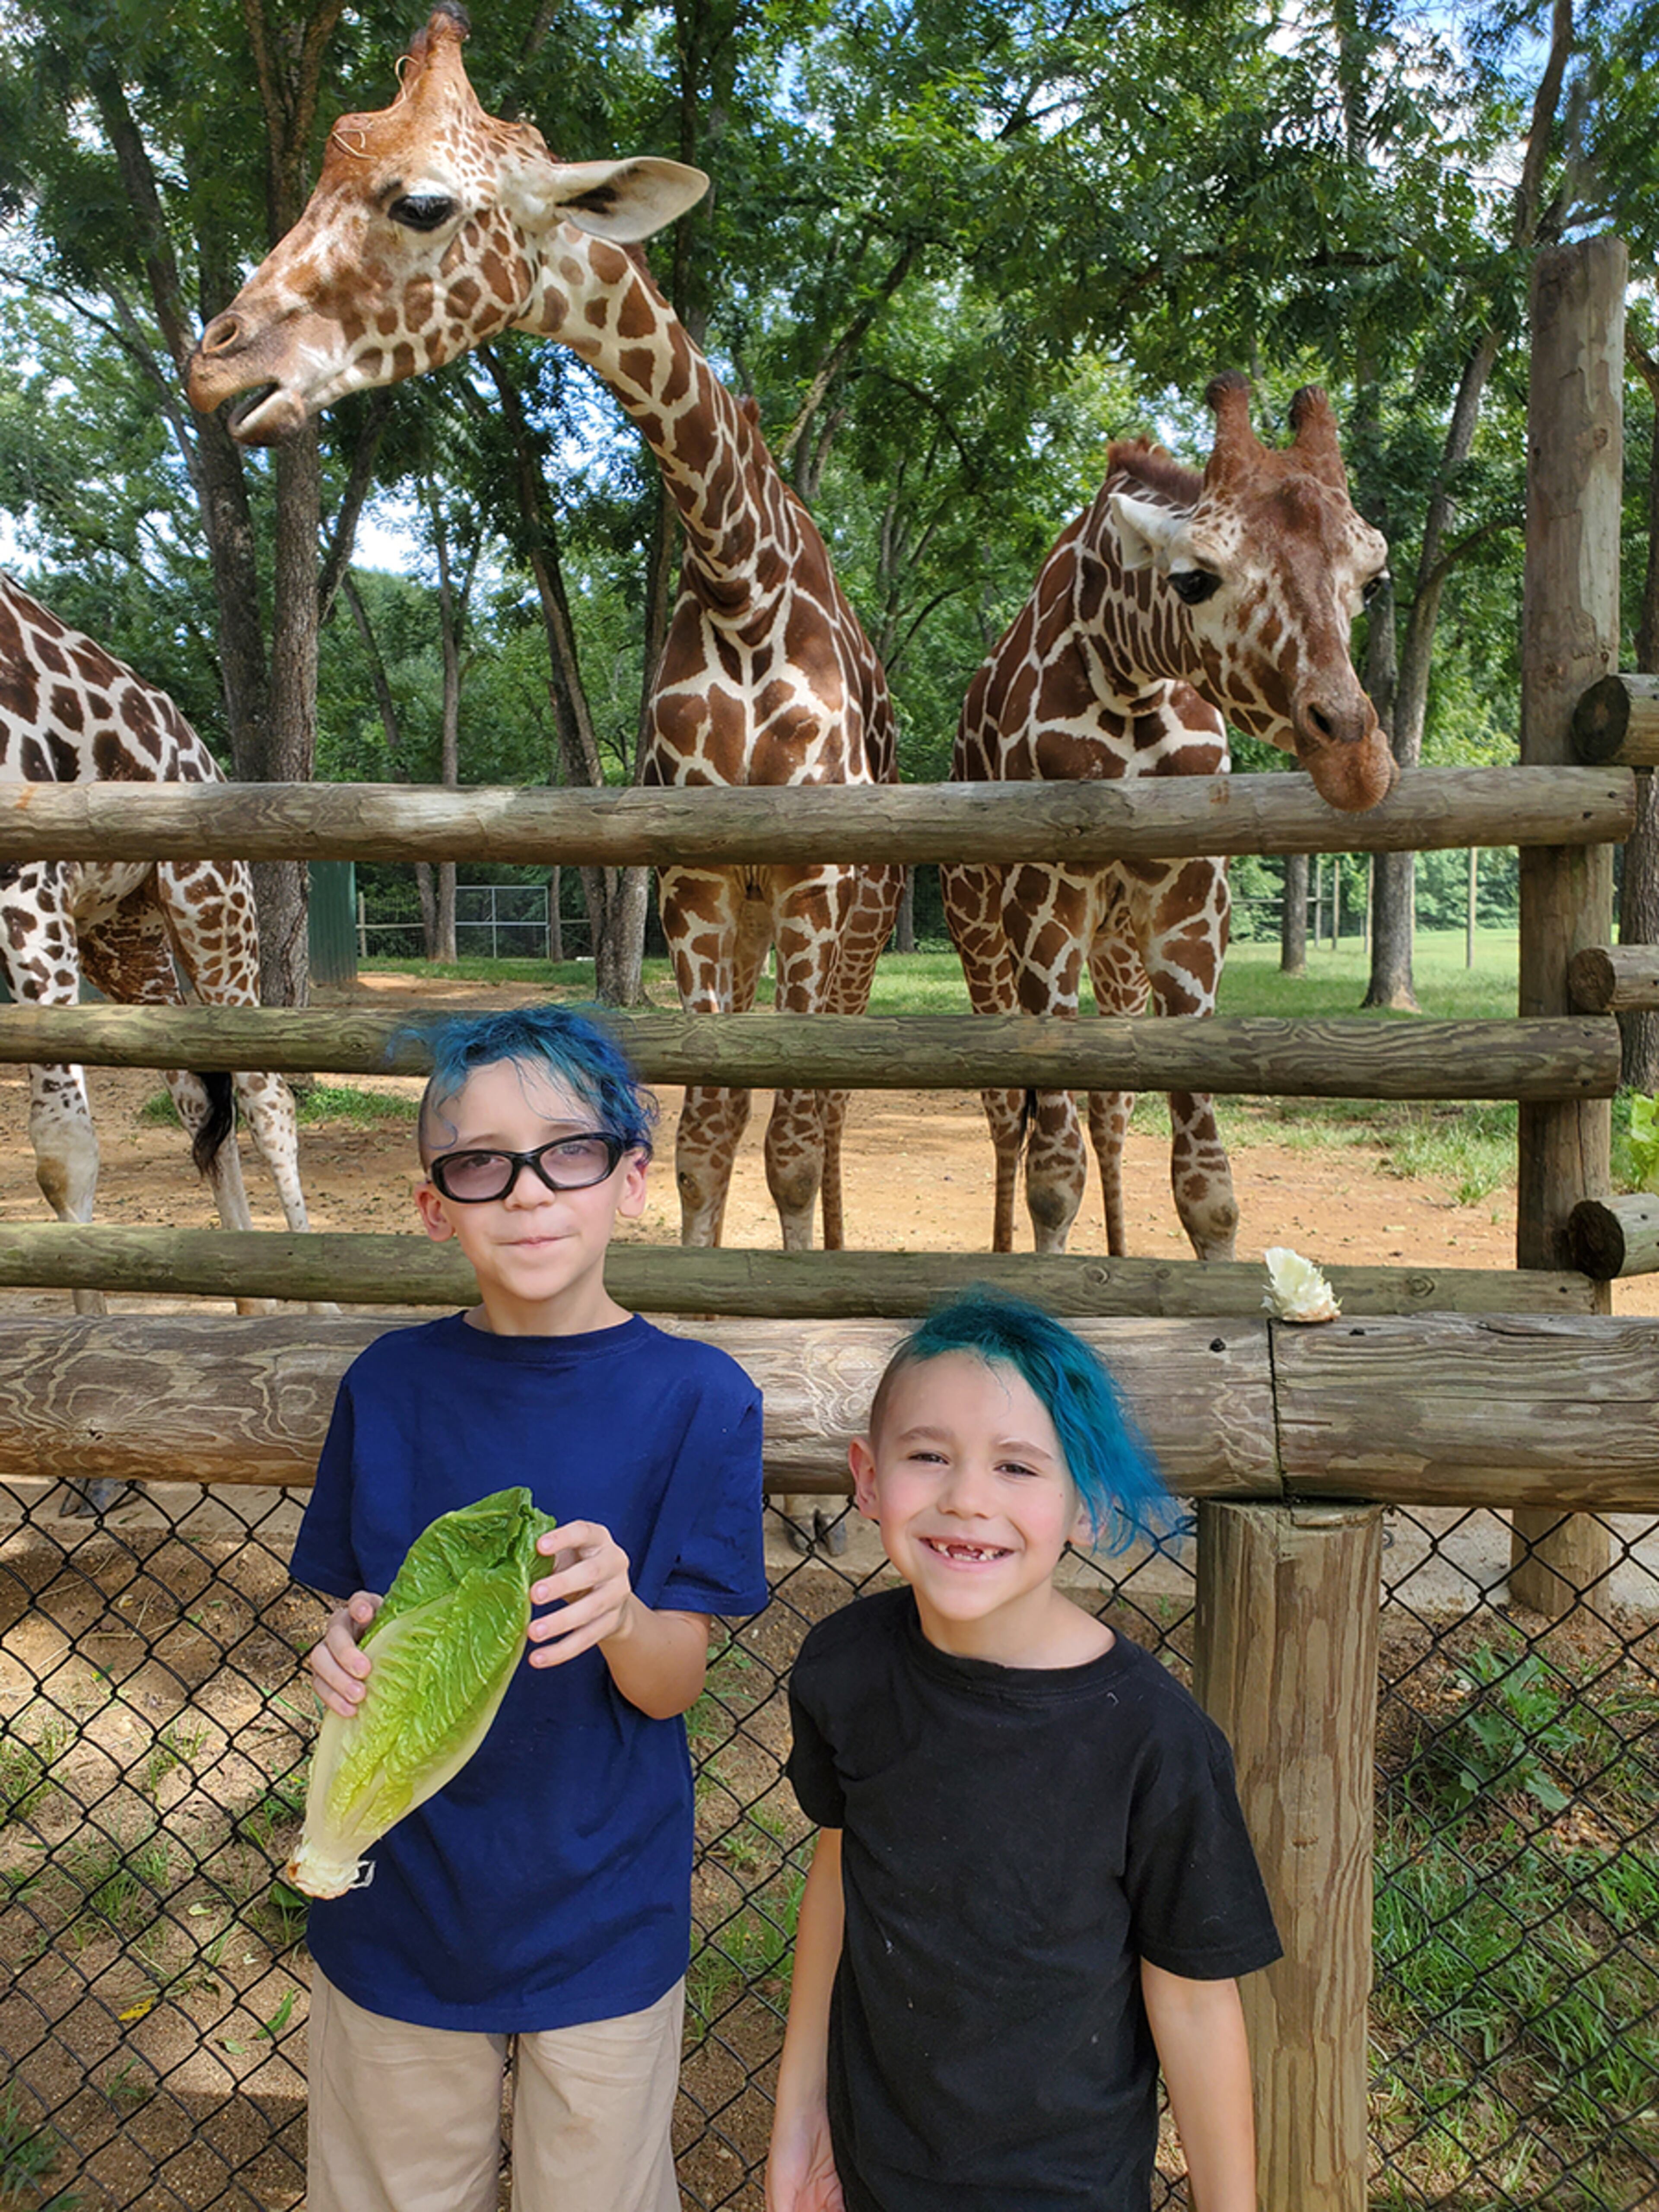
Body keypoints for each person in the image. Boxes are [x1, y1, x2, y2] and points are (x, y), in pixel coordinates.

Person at [290, 1004, 768, 2212]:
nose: (528, 1191)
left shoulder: (699, 1401)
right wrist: (341, 1651)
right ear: (434, 1204)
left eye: (570, 1151)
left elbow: (672, 1685)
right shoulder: (390, 1387)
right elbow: (357, 1614)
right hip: (396, 1910)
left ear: (633, 1180)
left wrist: (621, 1616)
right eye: (479, 1163)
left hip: (603, 1919)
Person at [767, 1292, 1282, 2212]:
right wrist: (800, 2120)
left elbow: (1199, 2007)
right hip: (877, 2176)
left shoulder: (1154, 1741)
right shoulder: (845, 1670)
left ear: (1084, 1505)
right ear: (869, 1477)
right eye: (929, 1455)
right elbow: (839, 1874)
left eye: (1017, 1466)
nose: (968, 1497)